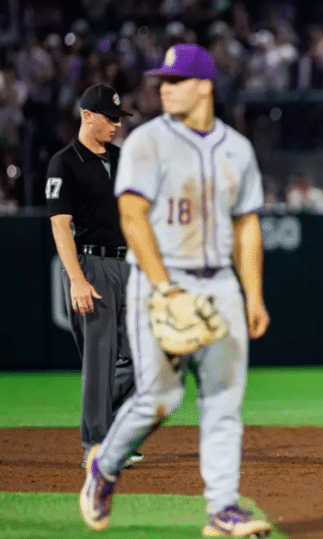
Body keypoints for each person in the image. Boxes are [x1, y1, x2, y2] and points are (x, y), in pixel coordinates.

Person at [79, 44, 272, 537]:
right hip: (160, 280)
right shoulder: (147, 142)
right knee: (159, 398)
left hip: (220, 284)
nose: (164, 88)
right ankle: (104, 467)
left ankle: (222, 510)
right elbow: (131, 217)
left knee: (225, 401)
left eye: (175, 80)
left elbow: (247, 226)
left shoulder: (237, 148)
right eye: (161, 81)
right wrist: (164, 289)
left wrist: (253, 295)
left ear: (204, 86)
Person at [45, 84, 142, 468]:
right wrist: (76, 279)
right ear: (87, 116)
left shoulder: (122, 158)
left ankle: (113, 432)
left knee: (144, 358)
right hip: (93, 264)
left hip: (129, 264)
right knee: (100, 359)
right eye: (110, 117)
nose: (117, 124)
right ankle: (97, 444)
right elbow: (59, 226)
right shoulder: (64, 162)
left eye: (120, 118)